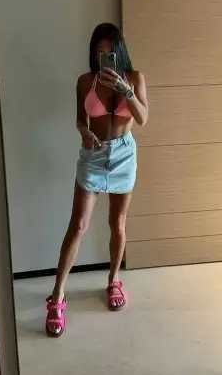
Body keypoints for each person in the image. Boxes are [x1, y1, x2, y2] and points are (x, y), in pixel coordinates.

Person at [45, 23, 148, 337]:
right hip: (93, 155)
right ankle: (57, 297)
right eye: (99, 51)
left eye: (110, 51)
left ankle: (114, 280)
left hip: (124, 155)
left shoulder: (134, 78)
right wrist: (84, 132)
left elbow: (142, 118)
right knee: (78, 225)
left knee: (118, 223)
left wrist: (125, 90)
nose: (104, 56)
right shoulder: (84, 81)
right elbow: (81, 118)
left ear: (120, 51)